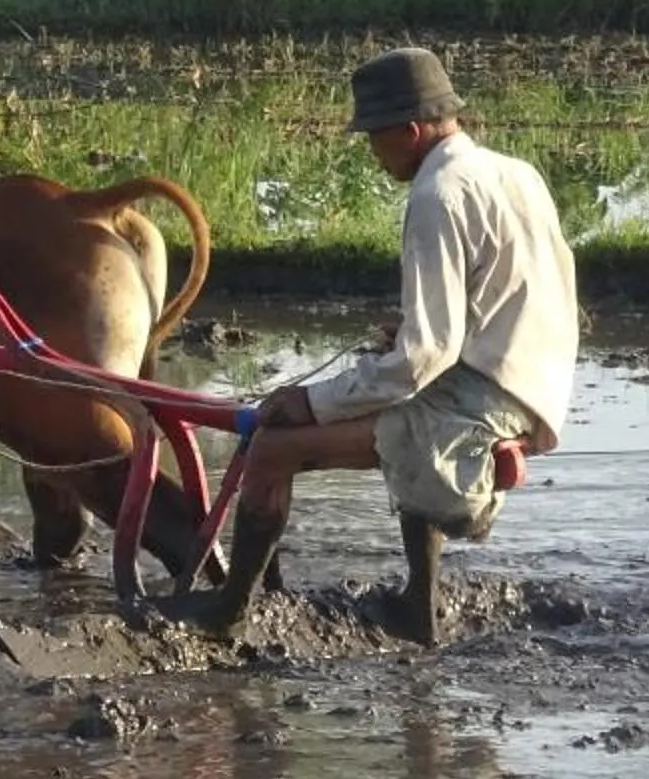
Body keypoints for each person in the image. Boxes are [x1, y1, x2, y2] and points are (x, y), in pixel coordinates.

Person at [192, 46, 578, 645]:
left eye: (375, 137)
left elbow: (424, 356)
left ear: (411, 129)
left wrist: (312, 401)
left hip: (478, 399)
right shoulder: (515, 173)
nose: (373, 153)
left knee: (271, 446)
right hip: (533, 387)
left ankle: (229, 613)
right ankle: (416, 605)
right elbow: (529, 290)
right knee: (397, 393)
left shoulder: (437, 195)